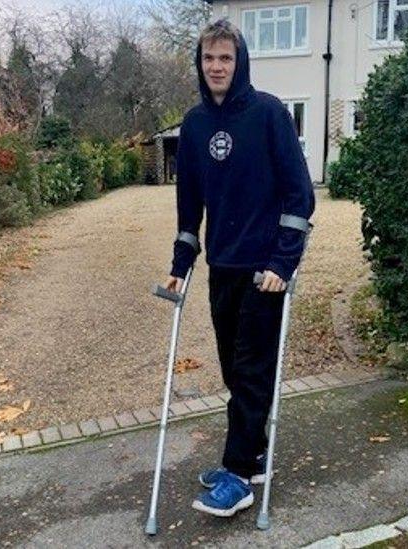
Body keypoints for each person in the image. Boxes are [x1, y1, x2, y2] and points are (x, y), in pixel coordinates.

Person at [163, 19, 315, 518]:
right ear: (199, 64)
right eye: (209, 59)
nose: (217, 67)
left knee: (251, 370)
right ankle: (255, 453)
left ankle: (237, 477)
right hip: (222, 267)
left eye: (225, 58)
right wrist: (180, 264)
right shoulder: (195, 124)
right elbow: (190, 206)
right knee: (234, 368)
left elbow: (300, 195)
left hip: (263, 271)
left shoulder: (269, 114)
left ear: (240, 60)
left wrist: (283, 261)